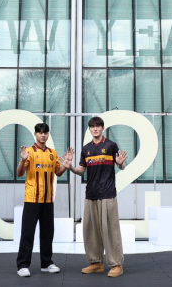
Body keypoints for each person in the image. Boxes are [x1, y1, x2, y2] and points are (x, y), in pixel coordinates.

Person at [60, 116, 127, 278]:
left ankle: (116, 264)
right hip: (91, 194)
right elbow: (81, 170)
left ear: (103, 128)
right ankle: (96, 262)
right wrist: (70, 168)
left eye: (98, 126)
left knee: (110, 229)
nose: (95, 129)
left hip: (108, 194)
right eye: (92, 126)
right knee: (90, 230)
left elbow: (122, 166)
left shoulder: (111, 146)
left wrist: (120, 164)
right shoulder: (86, 149)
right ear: (89, 129)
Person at [15, 122, 69, 277]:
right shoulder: (28, 152)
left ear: (48, 134)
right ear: (35, 134)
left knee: (47, 233)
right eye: (40, 132)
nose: (43, 135)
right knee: (28, 233)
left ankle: (46, 263)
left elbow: (58, 172)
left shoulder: (52, 152)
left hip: (48, 200)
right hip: (32, 199)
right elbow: (19, 173)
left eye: (45, 132)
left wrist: (66, 165)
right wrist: (23, 160)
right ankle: (23, 265)